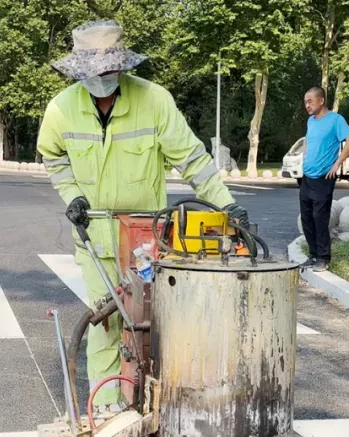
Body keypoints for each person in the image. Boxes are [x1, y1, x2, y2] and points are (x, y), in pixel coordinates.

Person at [37, 20, 241, 411]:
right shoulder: (61, 108)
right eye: (94, 72)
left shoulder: (154, 100)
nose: (102, 78)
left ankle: (152, 402)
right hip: (95, 237)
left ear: (122, 66)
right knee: (106, 321)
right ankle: (105, 406)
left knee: (150, 323)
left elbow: (193, 160)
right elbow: (54, 158)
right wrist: (73, 196)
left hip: (147, 241)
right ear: (80, 71)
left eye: (109, 70)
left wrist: (226, 204)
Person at [299, 87, 349, 272]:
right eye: (305, 102)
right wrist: (304, 157)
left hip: (324, 177)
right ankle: (313, 255)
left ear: (321, 100)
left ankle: (323, 258)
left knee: (319, 217)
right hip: (307, 176)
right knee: (307, 217)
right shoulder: (311, 121)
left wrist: (337, 164)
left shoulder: (335, 120)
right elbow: (308, 140)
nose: (307, 105)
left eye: (310, 101)